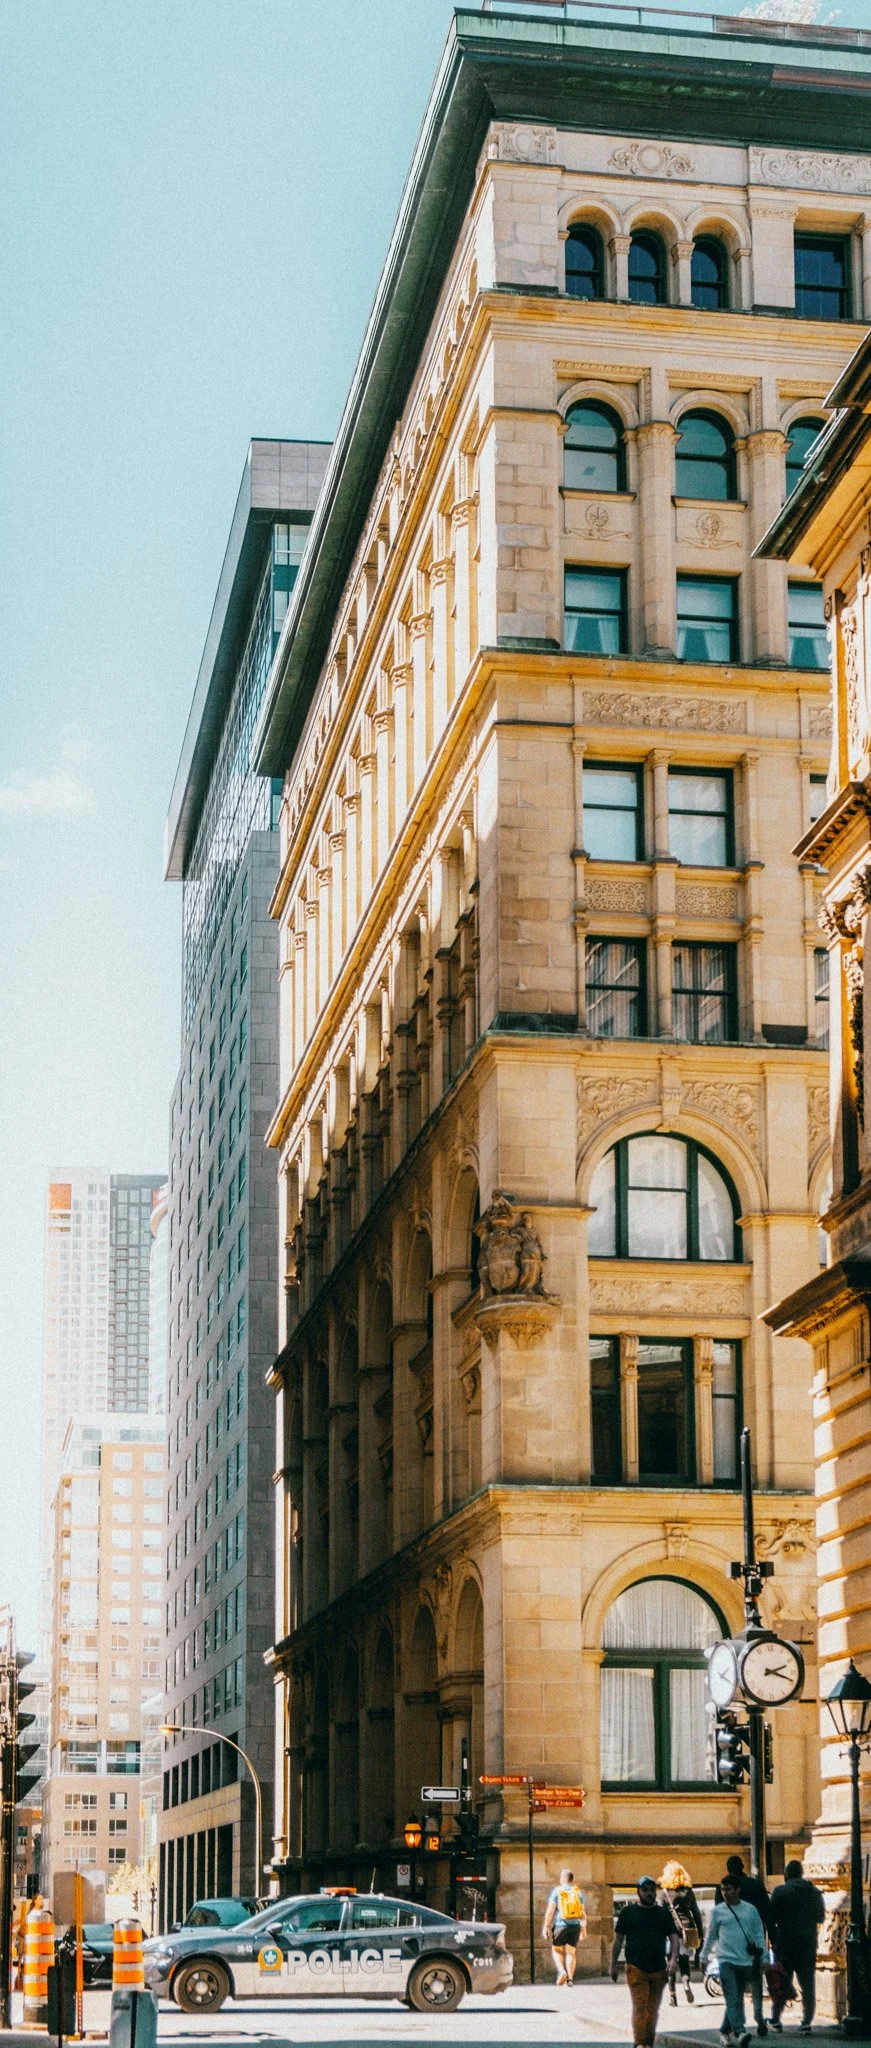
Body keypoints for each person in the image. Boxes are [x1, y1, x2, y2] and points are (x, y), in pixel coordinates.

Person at [610, 1875, 679, 2048]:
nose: (649, 1893)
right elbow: (618, 1940)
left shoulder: (663, 1913)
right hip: (636, 1967)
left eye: (651, 1890)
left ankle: (648, 2042)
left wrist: (673, 1959)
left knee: (653, 2009)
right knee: (640, 2007)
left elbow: (674, 1938)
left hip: (658, 1967)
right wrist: (612, 1964)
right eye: (645, 1890)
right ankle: (640, 2042)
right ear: (638, 1892)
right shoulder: (628, 1913)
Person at [701, 1873, 767, 2048]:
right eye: (722, 1890)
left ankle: (724, 2030)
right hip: (725, 1961)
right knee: (732, 1997)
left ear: (737, 1890)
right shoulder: (717, 1912)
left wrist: (764, 1956)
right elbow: (711, 1936)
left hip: (745, 1961)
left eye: (728, 1889)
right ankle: (739, 2031)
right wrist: (703, 1955)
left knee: (736, 1999)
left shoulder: (750, 1910)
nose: (725, 1893)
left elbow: (759, 1933)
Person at [767, 1860, 825, 2033]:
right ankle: (807, 2021)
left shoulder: (780, 1891)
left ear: (787, 1875)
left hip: (786, 1942)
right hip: (807, 1942)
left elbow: (772, 1916)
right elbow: (821, 1917)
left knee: (783, 1980)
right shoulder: (814, 1892)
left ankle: (776, 2018)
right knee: (808, 1983)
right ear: (801, 1873)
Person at [719, 1854, 773, 2034]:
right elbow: (767, 1913)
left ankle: (737, 2025)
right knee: (756, 1980)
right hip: (754, 1944)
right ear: (743, 1867)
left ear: (728, 1869)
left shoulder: (723, 1890)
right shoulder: (756, 1886)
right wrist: (771, 1939)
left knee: (735, 1988)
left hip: (732, 1946)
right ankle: (758, 2016)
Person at [658, 1861, 703, 2005]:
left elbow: (659, 1915)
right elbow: (696, 1913)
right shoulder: (688, 1892)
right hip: (686, 1930)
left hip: (670, 1932)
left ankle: (673, 1997)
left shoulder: (663, 1893)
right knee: (684, 1962)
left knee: (671, 1963)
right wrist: (700, 1932)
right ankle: (686, 1984)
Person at [542, 1866, 586, 1984]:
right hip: (575, 1926)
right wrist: (583, 1929)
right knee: (571, 1952)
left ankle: (561, 1971)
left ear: (562, 1878)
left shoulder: (557, 1891)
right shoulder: (578, 1892)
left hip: (560, 1925)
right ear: (571, 1879)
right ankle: (570, 1979)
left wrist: (546, 1926)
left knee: (556, 1950)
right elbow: (582, 1913)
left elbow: (550, 1911)